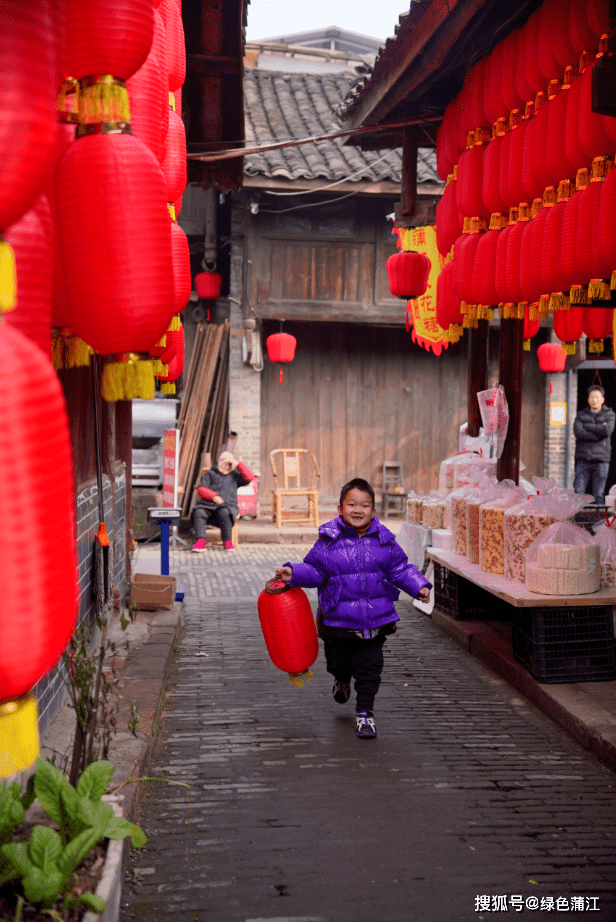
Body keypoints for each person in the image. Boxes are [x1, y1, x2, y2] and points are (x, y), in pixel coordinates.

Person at [274, 477, 431, 740]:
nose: (358, 510)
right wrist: (294, 573)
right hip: (337, 621)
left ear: (373, 511)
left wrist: (419, 587)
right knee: (339, 663)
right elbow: (315, 570)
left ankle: (365, 713)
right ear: (339, 509)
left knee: (370, 668)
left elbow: (400, 568)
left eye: (365, 505)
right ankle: (341, 679)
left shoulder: (384, 541)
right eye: (351, 504)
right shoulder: (328, 542)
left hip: (374, 621)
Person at [191, 451, 256, 552]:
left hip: (227, 506)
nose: (226, 467)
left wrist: (238, 463)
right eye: (224, 463)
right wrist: (213, 496)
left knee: (225, 512)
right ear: (219, 463)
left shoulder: (235, 476)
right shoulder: (210, 474)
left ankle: (227, 542)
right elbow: (201, 489)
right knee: (198, 512)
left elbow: (250, 477)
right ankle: (200, 542)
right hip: (208, 505)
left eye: (229, 464)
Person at [573, 385, 615, 506]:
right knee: (578, 493)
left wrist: (587, 426)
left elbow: (607, 430)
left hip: (601, 460)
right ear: (588, 399)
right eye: (592, 397)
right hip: (583, 459)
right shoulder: (581, 414)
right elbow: (578, 432)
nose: (594, 400)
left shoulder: (609, 414)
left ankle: (599, 524)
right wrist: (598, 434)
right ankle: (576, 523)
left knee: (598, 495)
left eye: (597, 397)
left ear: (603, 399)